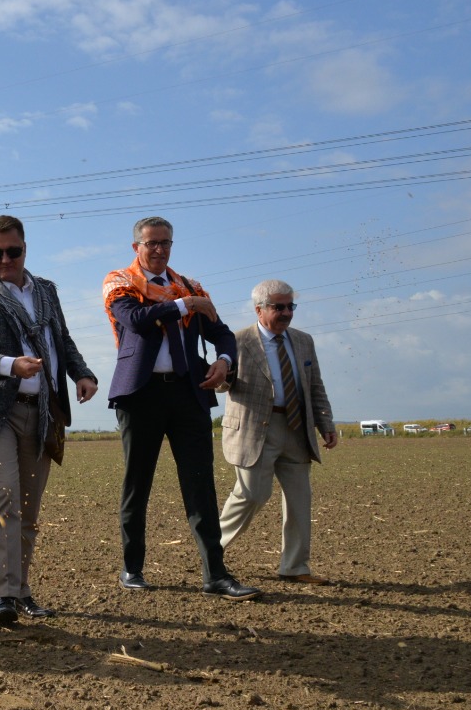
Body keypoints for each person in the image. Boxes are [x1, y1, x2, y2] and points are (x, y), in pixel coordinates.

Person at [102, 216, 260, 600]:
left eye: (166, 243)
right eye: (151, 243)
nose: (159, 249)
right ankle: (132, 569)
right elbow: (137, 320)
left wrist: (224, 359)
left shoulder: (190, 285)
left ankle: (216, 576)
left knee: (200, 485)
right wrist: (186, 304)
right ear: (136, 246)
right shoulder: (120, 282)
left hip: (188, 395)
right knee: (137, 484)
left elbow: (219, 330)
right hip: (141, 395)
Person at [0, 216, 98, 627]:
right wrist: (9, 365)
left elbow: (61, 340)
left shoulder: (46, 291)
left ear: (25, 249)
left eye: (12, 251)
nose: (5, 259)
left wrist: (82, 373)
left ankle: (20, 590)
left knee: (29, 510)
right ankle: (4, 596)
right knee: (3, 498)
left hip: (43, 414)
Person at [218, 280, 339, 584]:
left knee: (300, 500)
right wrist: (221, 372)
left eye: (290, 306)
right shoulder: (237, 340)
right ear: (259, 309)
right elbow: (221, 384)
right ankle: (212, 549)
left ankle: (295, 567)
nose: (286, 313)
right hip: (255, 430)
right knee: (252, 495)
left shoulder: (303, 341)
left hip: (297, 426)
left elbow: (315, 385)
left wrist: (326, 423)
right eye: (278, 307)